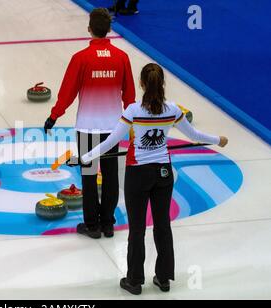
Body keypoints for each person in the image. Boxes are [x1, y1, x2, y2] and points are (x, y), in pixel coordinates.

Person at [78, 63, 228, 294]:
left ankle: (135, 281)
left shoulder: (133, 110)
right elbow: (195, 136)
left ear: (141, 83)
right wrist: (218, 139)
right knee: (162, 226)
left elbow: (109, 143)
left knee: (137, 229)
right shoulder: (173, 110)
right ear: (162, 84)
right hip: (163, 173)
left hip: (138, 173)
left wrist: (86, 156)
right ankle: (164, 278)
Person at [44, 8, 136, 239]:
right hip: (114, 127)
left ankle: (92, 226)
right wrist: (133, 124)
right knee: (111, 175)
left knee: (88, 174)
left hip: (87, 127)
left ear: (89, 29)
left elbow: (67, 93)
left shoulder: (81, 58)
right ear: (109, 29)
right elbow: (130, 96)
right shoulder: (122, 58)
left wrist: (54, 116)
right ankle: (107, 223)